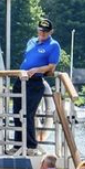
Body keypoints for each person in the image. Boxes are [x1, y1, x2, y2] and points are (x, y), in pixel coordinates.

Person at [12, 18, 60, 151]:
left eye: (45, 32)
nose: (42, 33)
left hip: (35, 82)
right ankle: (18, 144)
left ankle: (30, 145)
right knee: (17, 112)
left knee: (28, 113)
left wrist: (37, 70)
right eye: (40, 30)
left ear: (51, 32)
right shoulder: (31, 41)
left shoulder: (53, 45)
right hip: (21, 80)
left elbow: (51, 67)